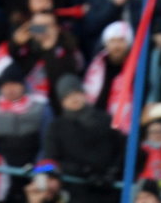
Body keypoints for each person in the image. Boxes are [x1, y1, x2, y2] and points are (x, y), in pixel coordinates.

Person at [44, 74, 125, 203]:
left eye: (76, 93)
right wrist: (83, 171)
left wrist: (112, 172)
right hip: (74, 190)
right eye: (67, 96)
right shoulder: (56, 127)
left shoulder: (104, 118)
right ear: (61, 101)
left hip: (107, 190)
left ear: (83, 94)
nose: (73, 98)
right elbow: (52, 160)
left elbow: (120, 148)